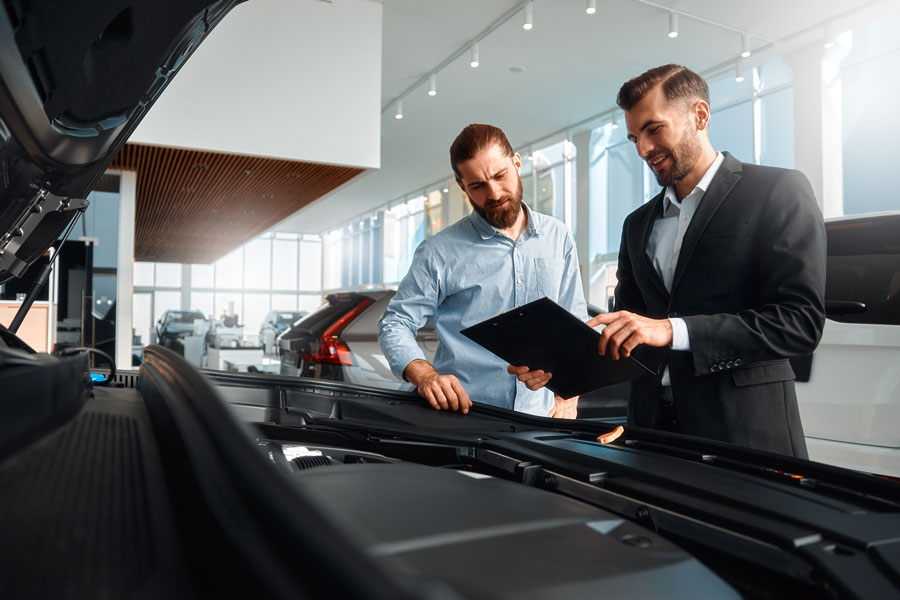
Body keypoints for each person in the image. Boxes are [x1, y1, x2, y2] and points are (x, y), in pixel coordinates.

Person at [512, 65, 825, 457]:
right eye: (633, 137)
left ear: (699, 116)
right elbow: (629, 333)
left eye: (653, 129)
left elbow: (800, 324)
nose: (642, 149)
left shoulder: (778, 191)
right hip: (651, 434)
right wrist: (561, 368)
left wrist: (672, 330)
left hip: (745, 436)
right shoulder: (637, 224)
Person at [378, 124, 588, 418]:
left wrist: (570, 392)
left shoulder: (559, 236)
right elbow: (395, 323)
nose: (494, 193)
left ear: (516, 163)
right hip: (465, 418)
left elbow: (575, 323)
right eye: (477, 185)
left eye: (500, 176)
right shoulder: (438, 251)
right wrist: (425, 376)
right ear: (463, 187)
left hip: (543, 418)